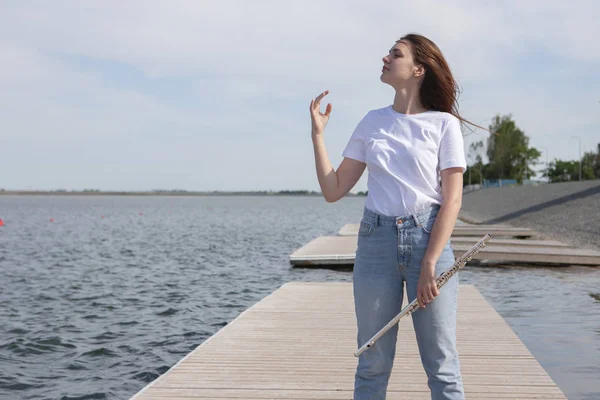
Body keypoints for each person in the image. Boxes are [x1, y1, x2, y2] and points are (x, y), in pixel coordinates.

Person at [309, 33, 481, 399]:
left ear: (418, 69)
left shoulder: (443, 125)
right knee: (372, 364)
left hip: (428, 240)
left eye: (395, 53)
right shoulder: (372, 122)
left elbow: (452, 200)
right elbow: (333, 190)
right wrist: (318, 136)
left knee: (442, 365)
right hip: (376, 245)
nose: (385, 58)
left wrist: (430, 263)